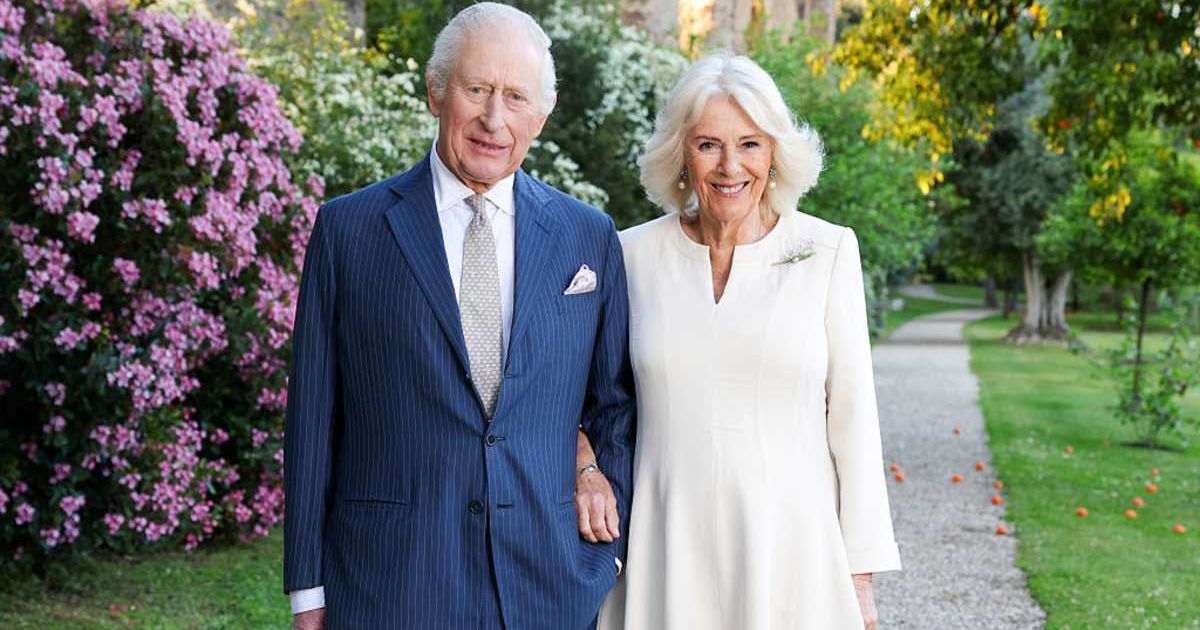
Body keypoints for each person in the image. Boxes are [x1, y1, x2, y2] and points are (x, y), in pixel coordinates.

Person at [282, 4, 636, 629]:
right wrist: (307, 589)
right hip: (391, 584)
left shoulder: (588, 236)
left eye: (516, 97)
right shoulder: (347, 230)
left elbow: (613, 405)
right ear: (435, 92)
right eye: (476, 90)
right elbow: (312, 417)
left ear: (542, 115)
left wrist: (606, 553)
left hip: (547, 587)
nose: (494, 119)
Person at [579, 52, 902, 630]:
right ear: (681, 155)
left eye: (750, 144)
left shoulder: (827, 251)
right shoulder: (629, 255)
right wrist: (585, 470)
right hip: (664, 547)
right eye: (709, 145)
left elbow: (854, 422)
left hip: (793, 552)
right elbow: (582, 398)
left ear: (774, 152)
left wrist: (860, 579)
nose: (731, 166)